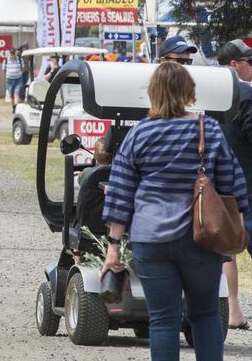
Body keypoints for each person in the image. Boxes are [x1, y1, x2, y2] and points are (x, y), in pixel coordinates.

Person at [102, 61, 249, 360]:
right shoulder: (206, 128)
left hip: (151, 240)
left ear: (152, 93)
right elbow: (233, 182)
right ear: (189, 92)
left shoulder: (139, 134)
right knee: (206, 314)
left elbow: (120, 192)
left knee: (163, 320)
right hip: (201, 238)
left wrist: (113, 246)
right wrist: (239, 223)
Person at [217, 39, 252, 330]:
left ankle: (233, 311)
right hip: (249, 184)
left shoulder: (208, 93)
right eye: (248, 61)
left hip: (218, 186)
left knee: (227, 251)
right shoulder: (246, 95)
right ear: (234, 65)